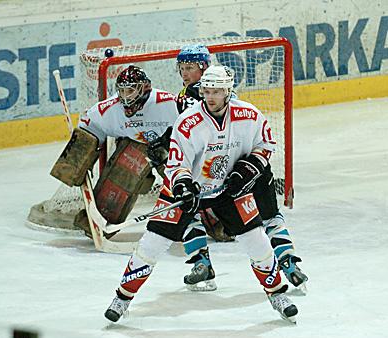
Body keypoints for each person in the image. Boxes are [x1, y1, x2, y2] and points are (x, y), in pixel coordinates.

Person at [104, 65, 299, 323]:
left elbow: (265, 145)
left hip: (229, 190)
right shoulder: (188, 122)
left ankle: (277, 294)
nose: (210, 96)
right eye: (206, 91)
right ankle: (122, 298)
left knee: (258, 241)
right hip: (188, 191)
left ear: (228, 91)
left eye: (217, 91)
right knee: (151, 245)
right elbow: (175, 164)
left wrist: (246, 170)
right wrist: (183, 186)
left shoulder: (249, 115)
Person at [171, 44, 308, 292]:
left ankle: (288, 263)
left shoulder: (242, 110)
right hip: (215, 173)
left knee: (265, 218)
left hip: (246, 173)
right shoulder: (186, 99)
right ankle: (202, 263)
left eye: (189, 67)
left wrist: (246, 169)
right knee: (186, 208)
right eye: (181, 68)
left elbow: (265, 143)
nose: (184, 73)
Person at [74, 65, 179, 230]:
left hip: (167, 146)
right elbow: (88, 123)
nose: (124, 96)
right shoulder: (110, 108)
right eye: (121, 91)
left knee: (181, 179)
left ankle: (208, 218)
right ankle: (99, 218)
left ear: (144, 88)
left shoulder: (167, 102)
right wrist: (78, 155)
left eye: (130, 90)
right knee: (122, 177)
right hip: (134, 147)